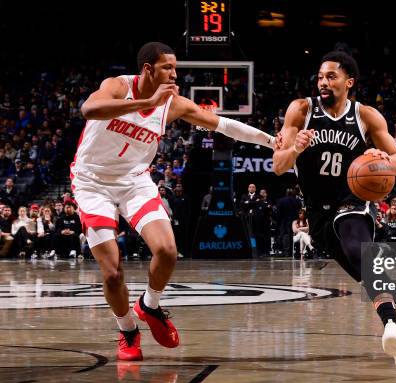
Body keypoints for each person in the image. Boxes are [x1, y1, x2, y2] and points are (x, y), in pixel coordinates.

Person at [74, 42, 276, 361]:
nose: (174, 74)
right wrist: (147, 101)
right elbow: (89, 110)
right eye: (168, 67)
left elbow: (224, 125)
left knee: (168, 251)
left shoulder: (173, 104)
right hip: (92, 182)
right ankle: (127, 330)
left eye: (175, 68)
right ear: (148, 69)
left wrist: (271, 142)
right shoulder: (117, 86)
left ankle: (149, 306)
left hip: (134, 180)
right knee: (112, 272)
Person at [273, 51, 396, 368]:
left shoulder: (366, 116)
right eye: (320, 77)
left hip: (352, 204)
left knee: (358, 249)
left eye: (331, 76)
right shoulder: (301, 110)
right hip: (318, 216)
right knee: (376, 281)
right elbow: (279, 166)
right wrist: (295, 148)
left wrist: (381, 159)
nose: (323, 82)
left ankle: (393, 329)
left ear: (349, 82)